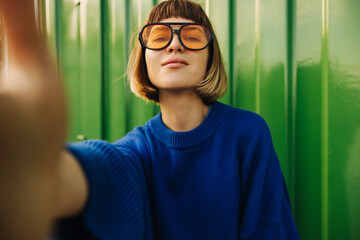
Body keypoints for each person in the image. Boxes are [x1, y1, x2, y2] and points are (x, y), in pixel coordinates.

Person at [0, 0, 300, 239]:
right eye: (159, 38)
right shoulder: (135, 152)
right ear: (143, 59)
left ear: (210, 57)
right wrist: (36, 167)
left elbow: (270, 230)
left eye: (192, 37)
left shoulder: (247, 134)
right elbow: (101, 172)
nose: (174, 45)